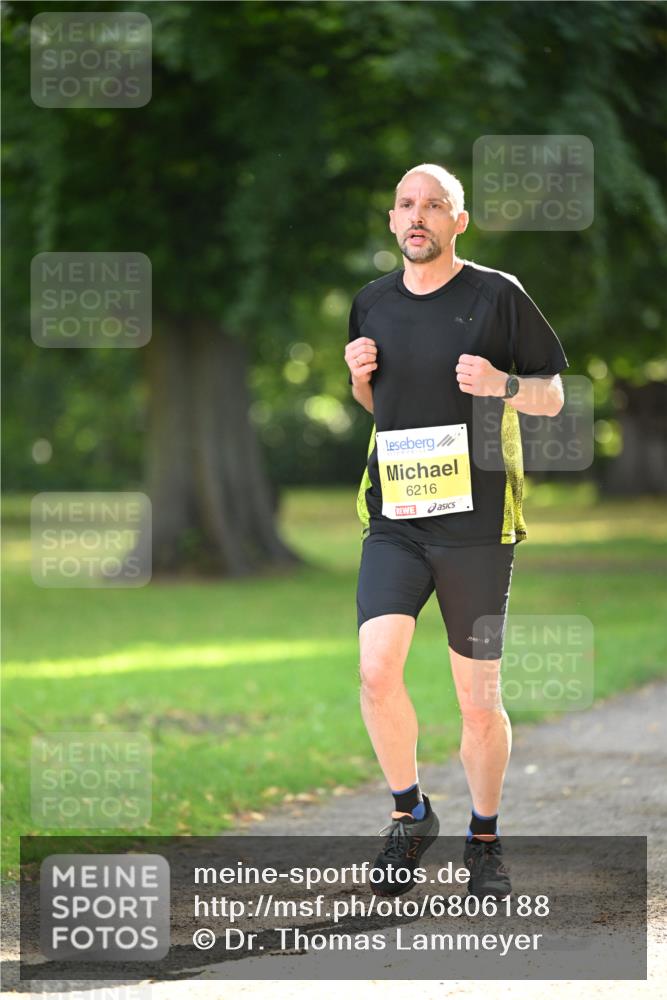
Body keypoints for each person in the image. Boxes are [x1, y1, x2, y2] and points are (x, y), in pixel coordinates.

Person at [344, 163, 569, 899]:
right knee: (376, 670)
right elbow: (382, 406)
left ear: (457, 221)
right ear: (391, 219)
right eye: (406, 204)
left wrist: (502, 385)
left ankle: (484, 837)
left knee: (477, 700)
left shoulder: (496, 295)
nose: (418, 216)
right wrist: (358, 379)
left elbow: (552, 396)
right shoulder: (370, 303)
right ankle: (409, 814)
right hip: (396, 521)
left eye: (434, 205)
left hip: (476, 526)